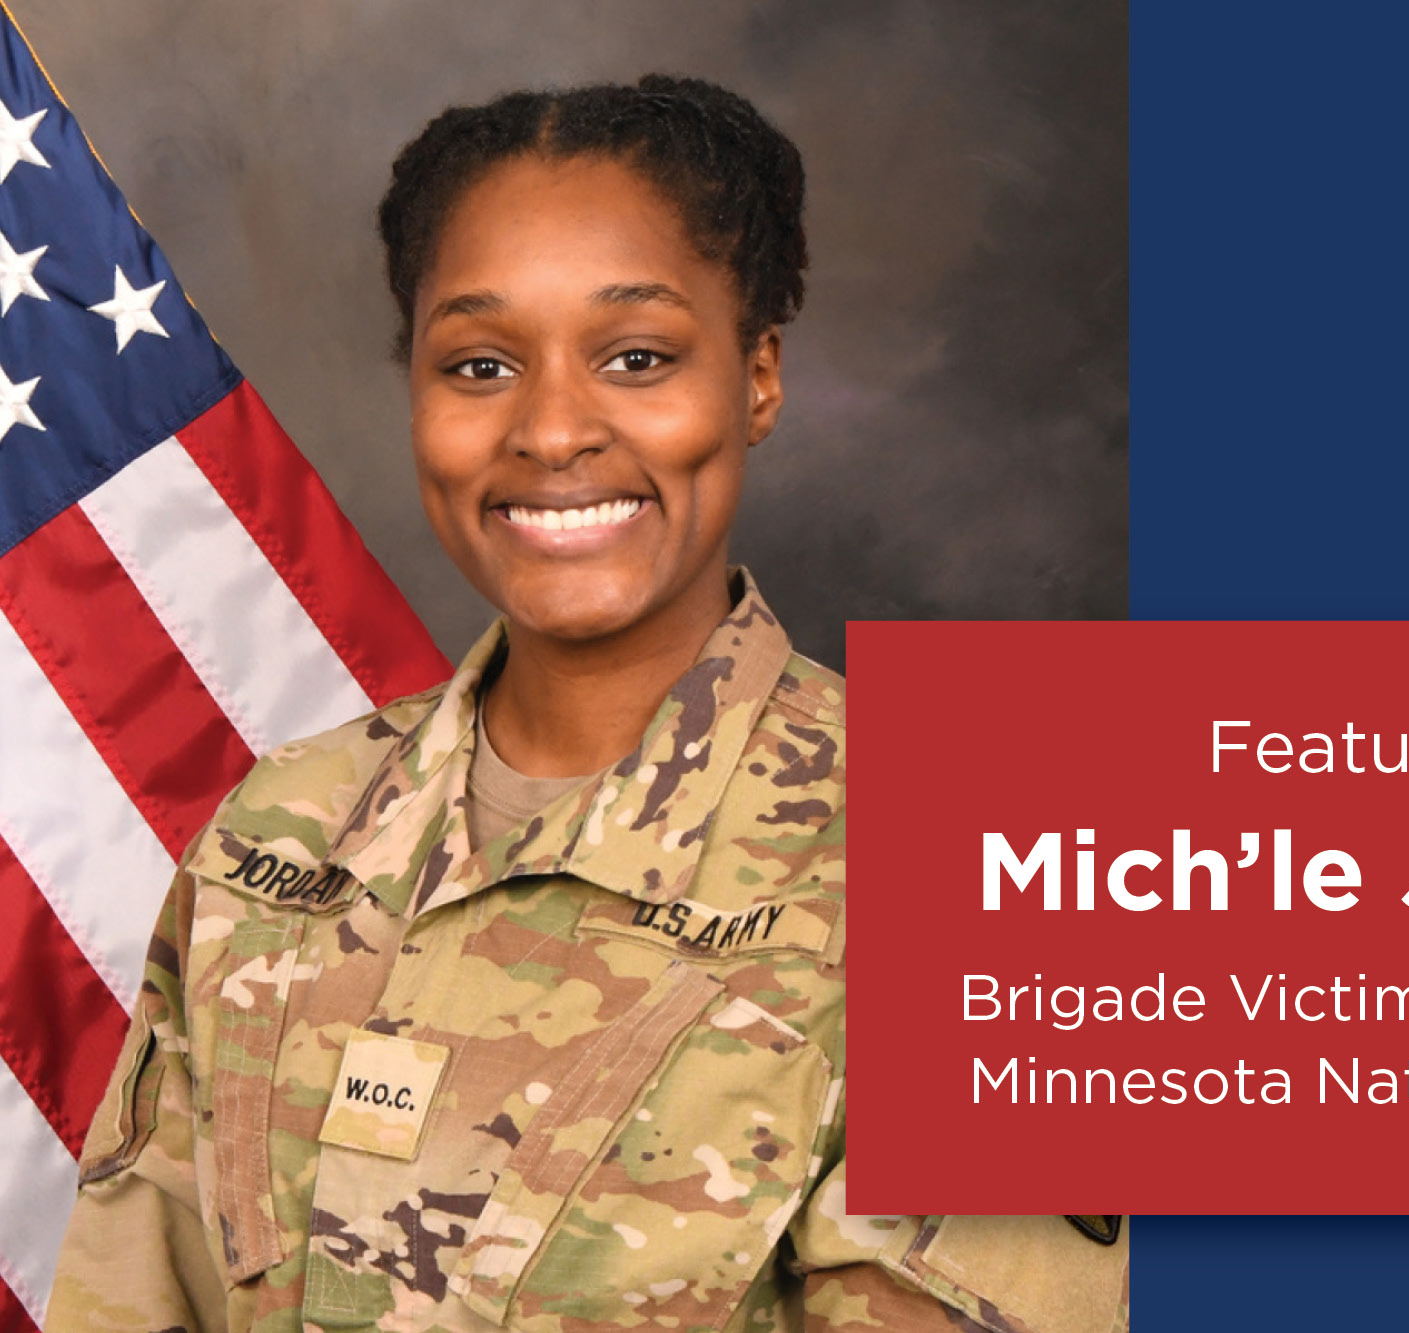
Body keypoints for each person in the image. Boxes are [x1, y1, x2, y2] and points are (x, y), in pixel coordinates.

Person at [44, 76, 1128, 1333]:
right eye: (481, 362)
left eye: (636, 357)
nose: (552, 428)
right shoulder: (280, 828)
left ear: (757, 379)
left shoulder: (1003, 874)